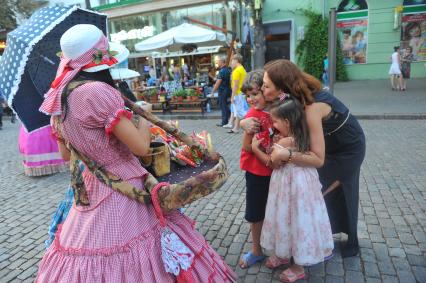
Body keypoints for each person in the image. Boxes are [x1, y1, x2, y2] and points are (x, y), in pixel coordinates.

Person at [36, 24, 236, 282]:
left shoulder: (58, 97)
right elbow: (141, 148)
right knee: (138, 253)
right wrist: (142, 115)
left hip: (92, 187)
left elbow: (66, 155)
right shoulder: (96, 92)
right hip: (126, 188)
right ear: (101, 58)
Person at [241, 59, 366, 258]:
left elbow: (317, 159)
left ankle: (311, 247)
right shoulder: (291, 97)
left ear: (282, 87)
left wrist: (287, 154)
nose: (262, 90)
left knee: (313, 194)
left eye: (266, 86)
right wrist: (243, 121)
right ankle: (309, 242)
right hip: (328, 141)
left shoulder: (312, 108)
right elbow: (264, 113)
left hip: (347, 147)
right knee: (311, 196)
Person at [251, 96, 333, 282]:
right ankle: (284, 255)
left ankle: (297, 266)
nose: (273, 124)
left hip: (289, 186)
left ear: (287, 122)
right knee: (298, 220)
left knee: (285, 218)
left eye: (276, 121)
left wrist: (256, 148)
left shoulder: (285, 143)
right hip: (303, 185)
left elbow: (273, 163)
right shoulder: (302, 138)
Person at [238, 70, 273, 269]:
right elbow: (245, 147)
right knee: (256, 212)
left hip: (273, 170)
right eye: (248, 95)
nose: (251, 99)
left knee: (273, 209)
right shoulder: (253, 116)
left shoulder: (276, 107)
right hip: (256, 171)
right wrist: (245, 124)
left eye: (255, 93)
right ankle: (257, 250)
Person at [227, 54, 248, 134]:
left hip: (238, 94)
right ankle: (236, 128)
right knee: (239, 112)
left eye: (232, 60)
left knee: (241, 112)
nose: (231, 63)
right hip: (242, 93)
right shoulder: (242, 69)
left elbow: (235, 85)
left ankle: (252, 122)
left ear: (236, 60)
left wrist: (232, 97)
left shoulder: (236, 71)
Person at [210, 56, 231, 127]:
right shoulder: (228, 69)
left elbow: (218, 83)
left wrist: (213, 92)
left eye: (218, 61)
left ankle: (224, 122)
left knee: (223, 106)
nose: (217, 62)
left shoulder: (222, 71)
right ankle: (229, 119)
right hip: (228, 89)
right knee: (226, 105)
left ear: (222, 62)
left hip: (223, 90)